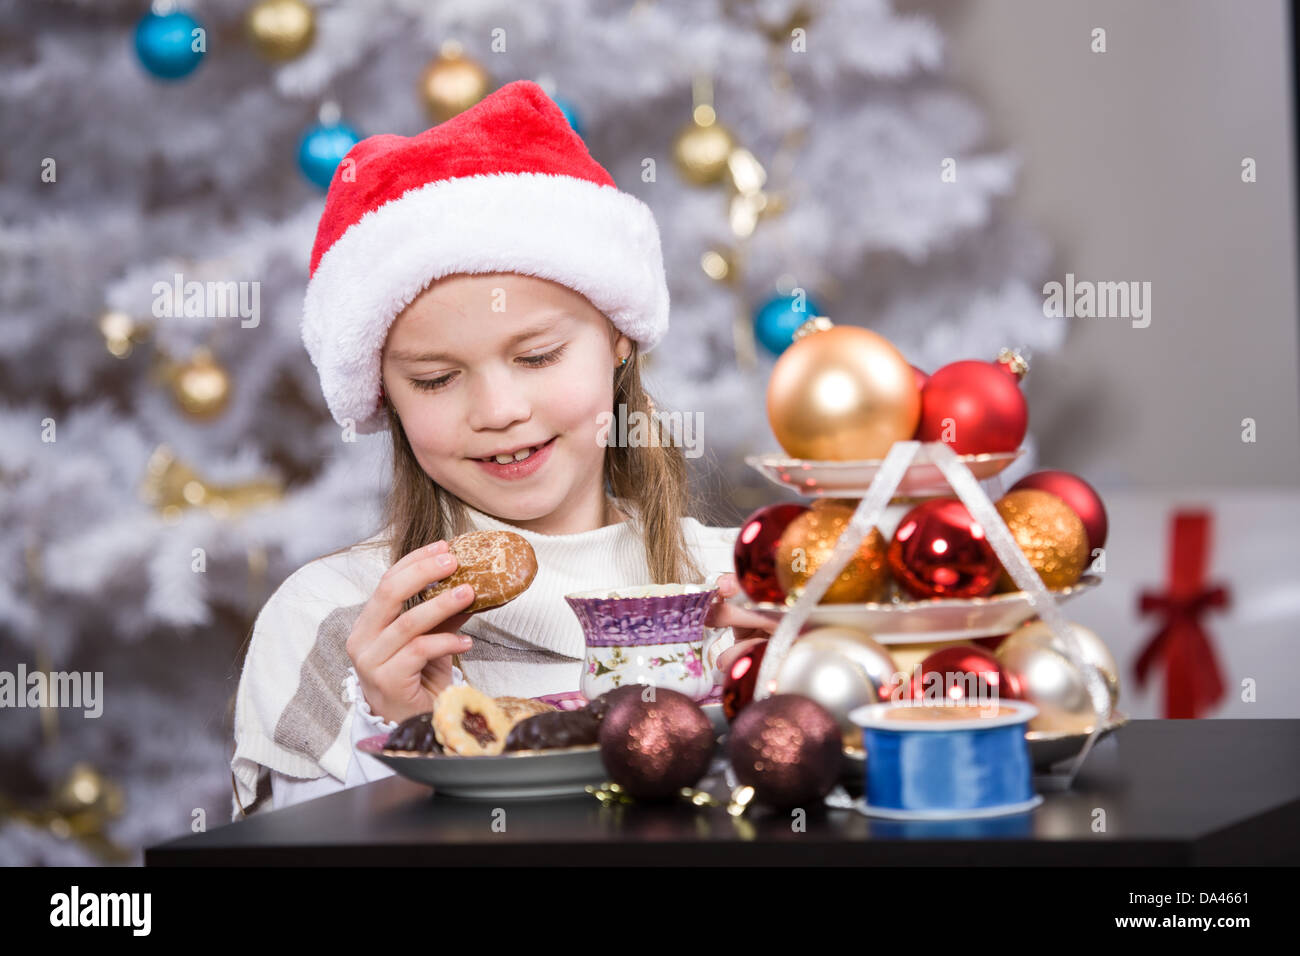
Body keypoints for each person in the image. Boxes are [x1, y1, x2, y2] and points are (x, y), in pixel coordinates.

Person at [230, 81, 773, 820]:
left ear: (617, 337)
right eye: (436, 378)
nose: (499, 412)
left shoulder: (737, 586)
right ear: (384, 394)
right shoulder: (333, 622)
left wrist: (789, 681)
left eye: (539, 357)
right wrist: (395, 728)